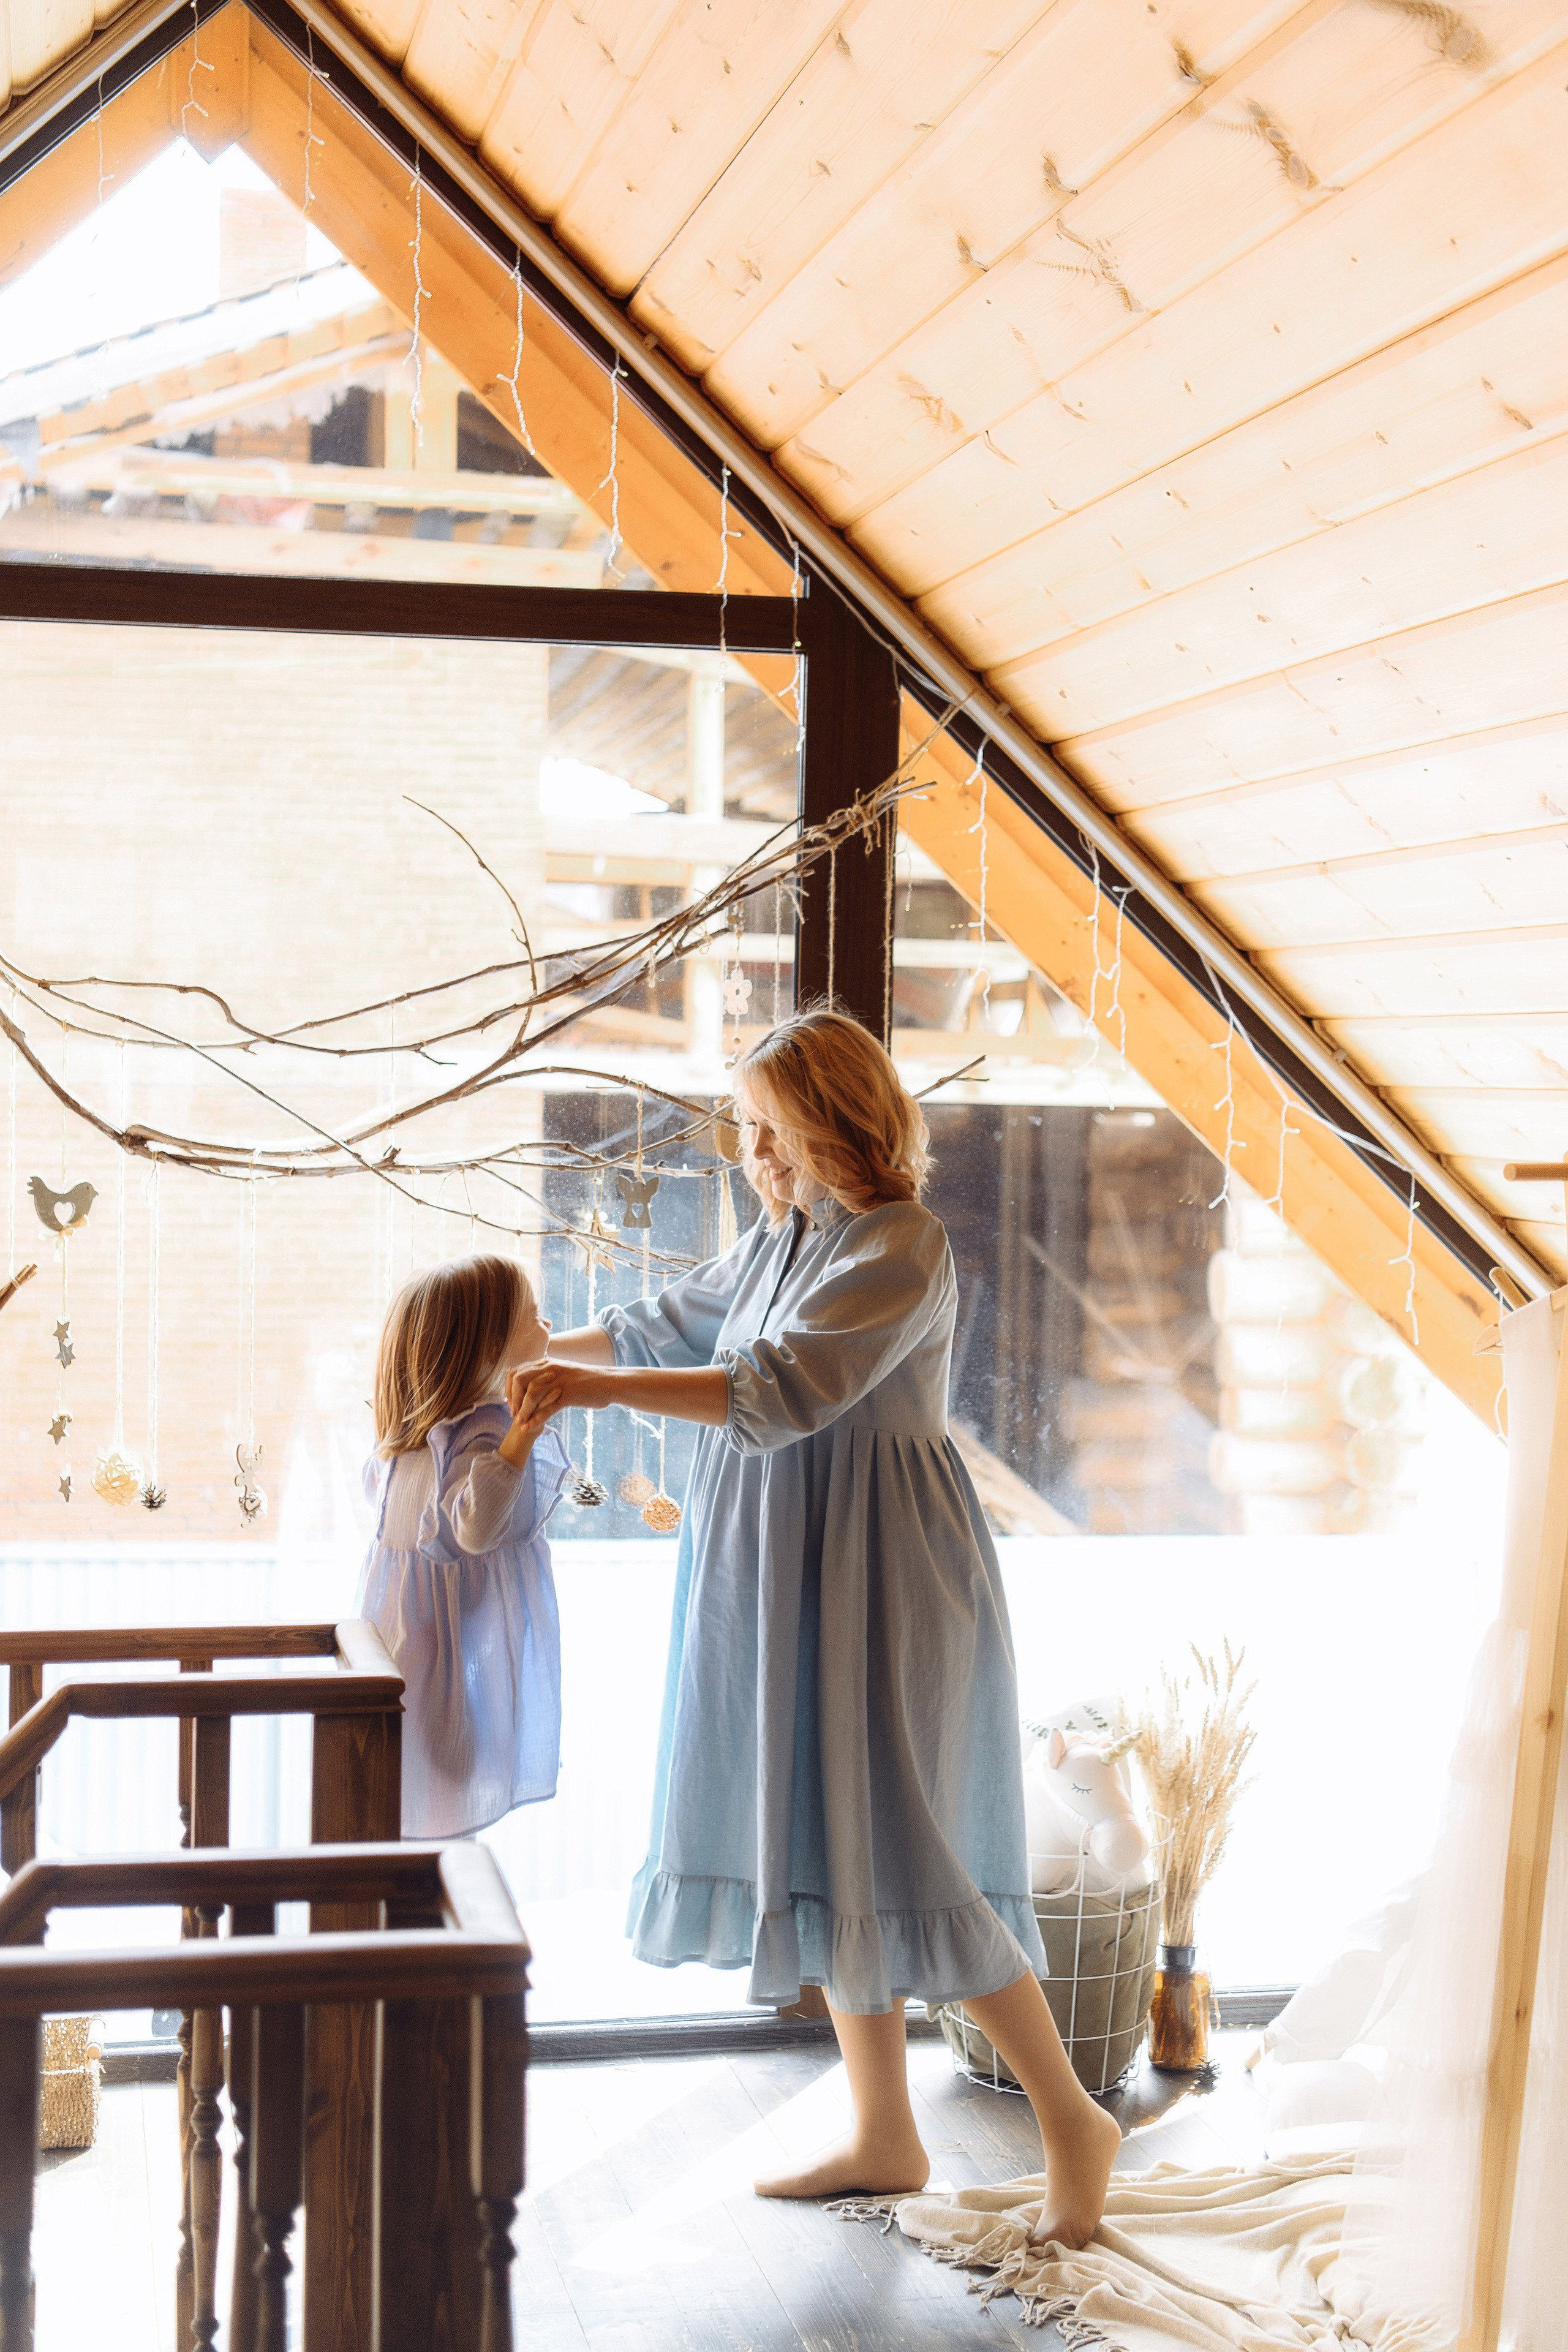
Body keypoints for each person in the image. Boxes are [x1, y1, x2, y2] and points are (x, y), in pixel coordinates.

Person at [515, 1009, 1120, 2245]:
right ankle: (883, 2133)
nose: (750, 1151)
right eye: (746, 1128)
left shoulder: (902, 1245)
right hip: (777, 1564)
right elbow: (660, 1331)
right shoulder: (781, 1239)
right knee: (826, 1833)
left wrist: (586, 1387)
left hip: (880, 1570)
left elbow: (783, 1389)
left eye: (765, 1124)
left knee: (905, 1838)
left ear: (825, 1120)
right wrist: (519, 1362)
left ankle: (1069, 2118)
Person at [359, 1254, 567, 1838]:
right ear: (487, 1350)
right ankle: (449, 1913)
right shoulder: (482, 1438)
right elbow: (474, 1530)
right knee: (444, 1815)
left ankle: (425, 1909)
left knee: (412, 1813)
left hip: (397, 1659)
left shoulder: (409, 1449)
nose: (549, 1329)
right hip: (434, 1676)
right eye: (534, 1316)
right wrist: (521, 1437)